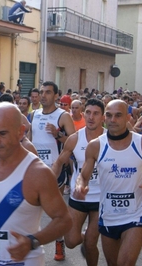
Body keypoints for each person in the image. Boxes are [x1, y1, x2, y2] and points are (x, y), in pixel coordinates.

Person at [0, 102, 72, 265]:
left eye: (2, 133)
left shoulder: (38, 173)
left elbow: (64, 220)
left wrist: (32, 241)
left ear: (20, 132)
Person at [74, 99, 142, 266]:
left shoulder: (139, 143)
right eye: (109, 116)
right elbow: (83, 176)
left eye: (118, 116)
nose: (113, 120)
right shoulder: (96, 146)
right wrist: (79, 187)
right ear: (104, 118)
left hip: (135, 214)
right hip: (108, 215)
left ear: (128, 117)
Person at [51, 99, 106, 266]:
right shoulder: (75, 139)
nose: (91, 117)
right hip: (78, 196)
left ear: (103, 117)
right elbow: (59, 162)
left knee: (90, 244)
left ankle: (89, 244)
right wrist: (49, 183)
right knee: (71, 241)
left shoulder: (110, 139)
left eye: (96, 113)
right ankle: (85, 237)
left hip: (100, 199)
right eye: (88, 113)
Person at [29, 81, 76, 261]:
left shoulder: (63, 116)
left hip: (55, 170)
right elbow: (29, 141)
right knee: (31, 209)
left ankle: (59, 243)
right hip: (35, 170)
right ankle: (30, 243)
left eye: (48, 92)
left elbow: (73, 142)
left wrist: (58, 135)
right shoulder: (34, 115)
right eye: (41, 92)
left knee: (56, 212)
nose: (43, 95)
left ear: (56, 95)